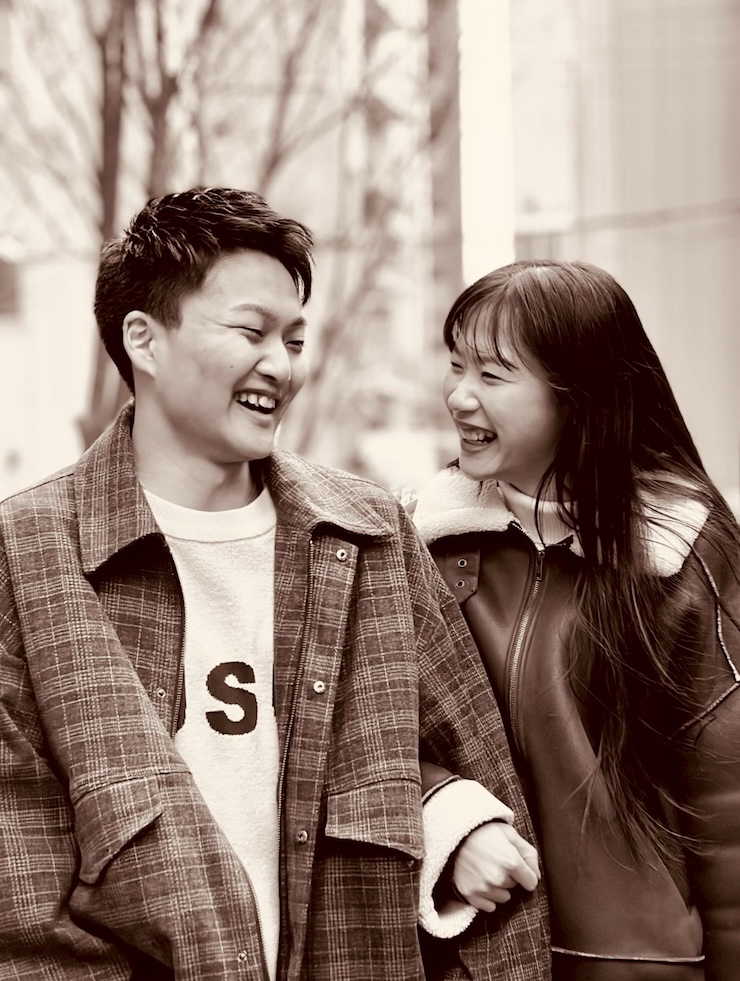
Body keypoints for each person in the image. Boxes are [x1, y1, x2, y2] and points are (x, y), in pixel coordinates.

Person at [0, 188, 550, 980]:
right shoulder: (27, 556)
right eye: (250, 331)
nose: (282, 366)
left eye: (294, 339)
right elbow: (23, 903)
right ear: (144, 339)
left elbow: (486, 790)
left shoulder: (369, 535)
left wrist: (449, 813)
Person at [411, 259, 740, 981]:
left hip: (634, 965)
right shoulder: (423, 541)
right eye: (456, 364)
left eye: (493, 374)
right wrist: (444, 811)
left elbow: (728, 814)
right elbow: (363, 737)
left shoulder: (682, 556)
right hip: (470, 954)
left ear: (579, 394)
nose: (459, 395)